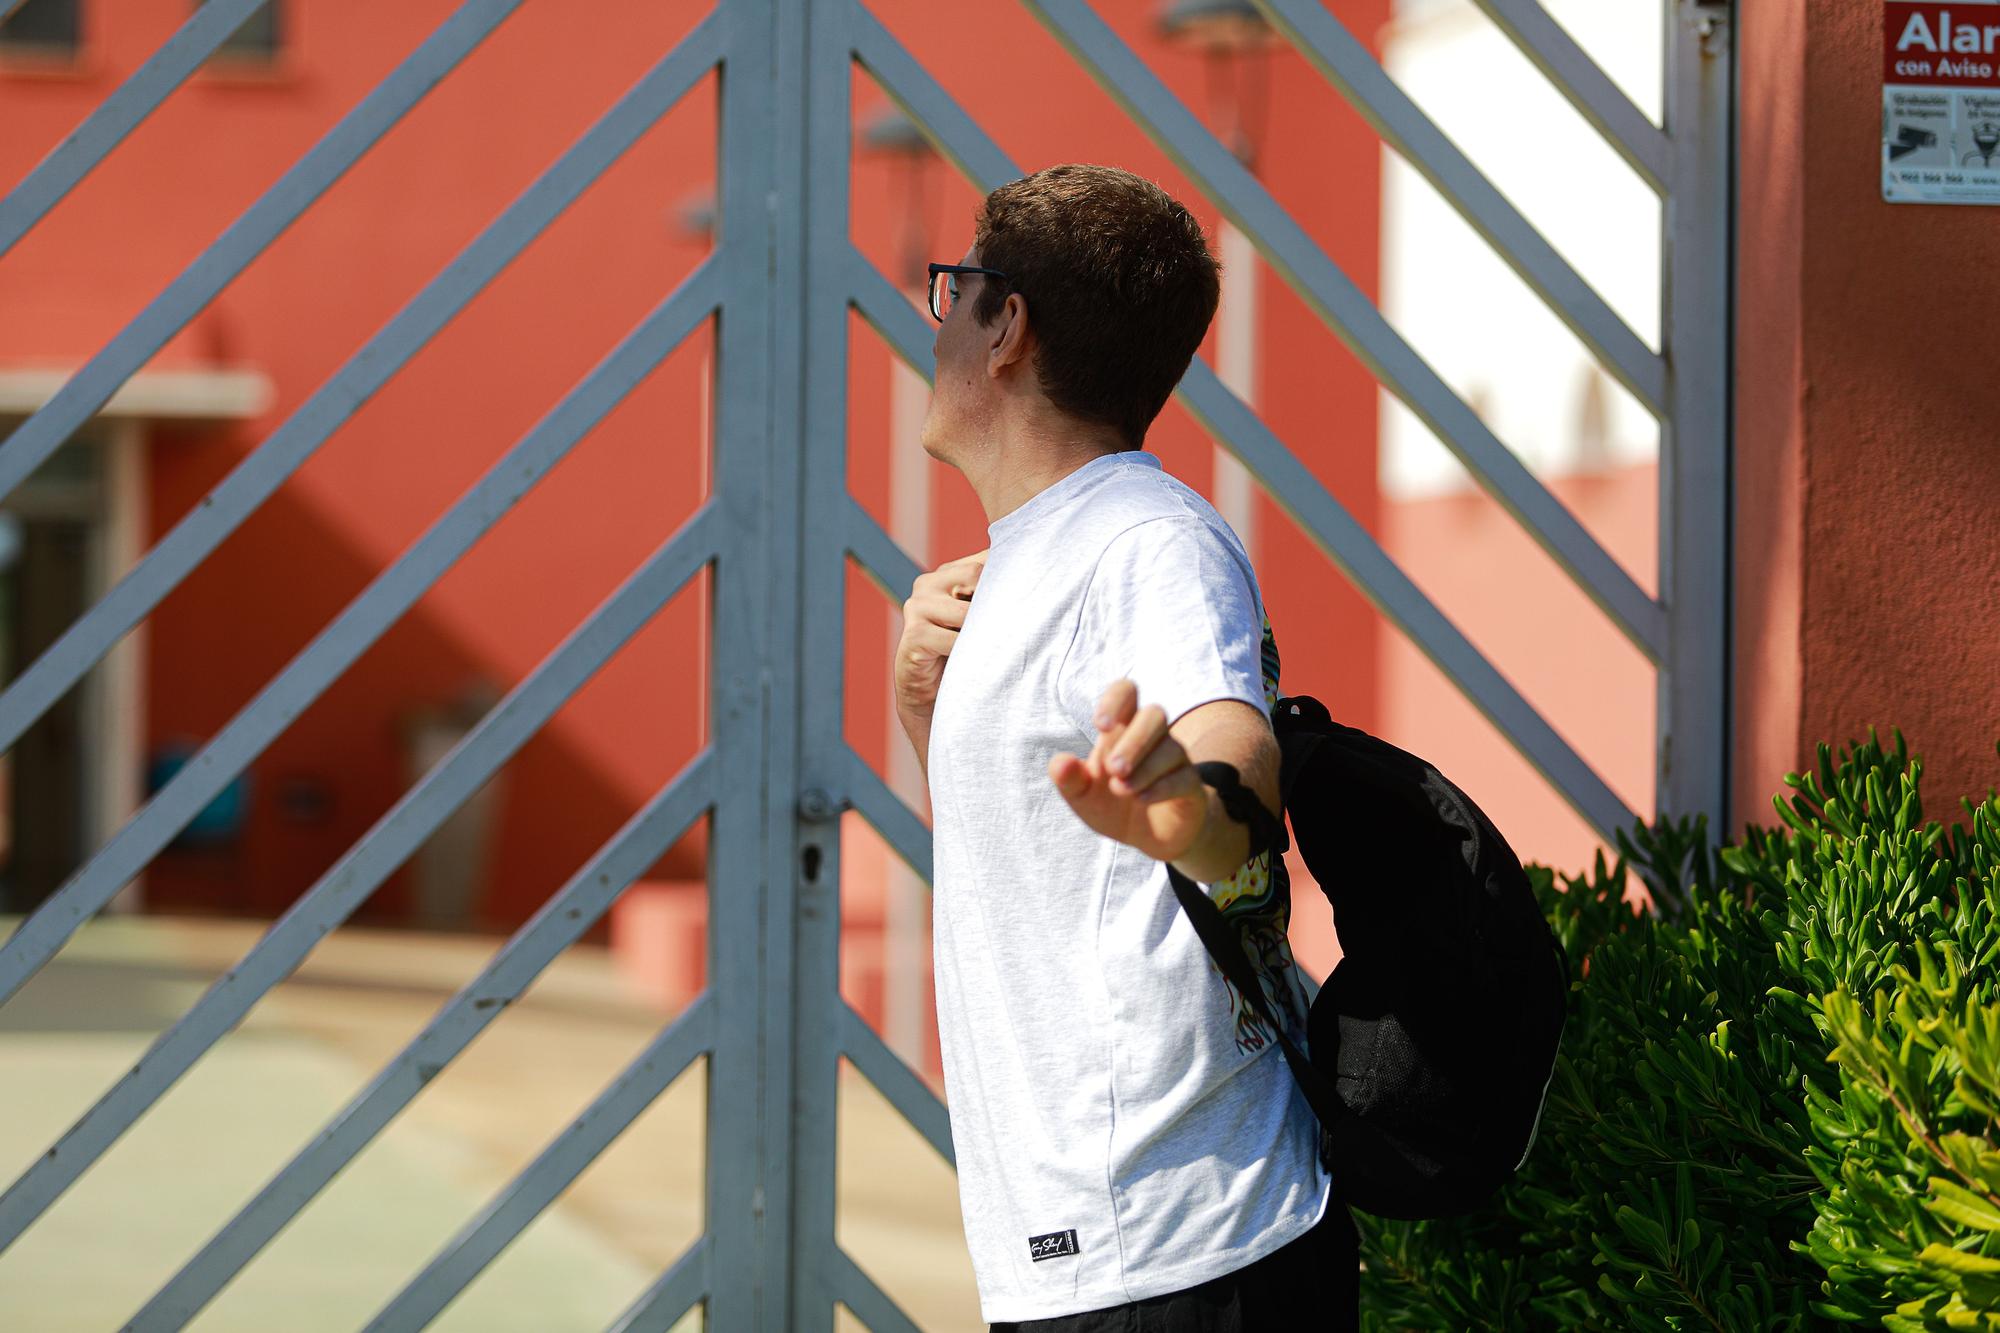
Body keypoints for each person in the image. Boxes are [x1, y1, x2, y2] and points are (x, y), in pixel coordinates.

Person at [894, 163, 1361, 1332]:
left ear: (1006, 325)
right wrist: (921, 706)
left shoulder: (1145, 542)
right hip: (1092, 1252)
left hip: (1185, 1253)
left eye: (951, 290)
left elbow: (1228, 754)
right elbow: (1033, 873)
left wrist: (1193, 813)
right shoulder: (1030, 560)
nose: (933, 317)